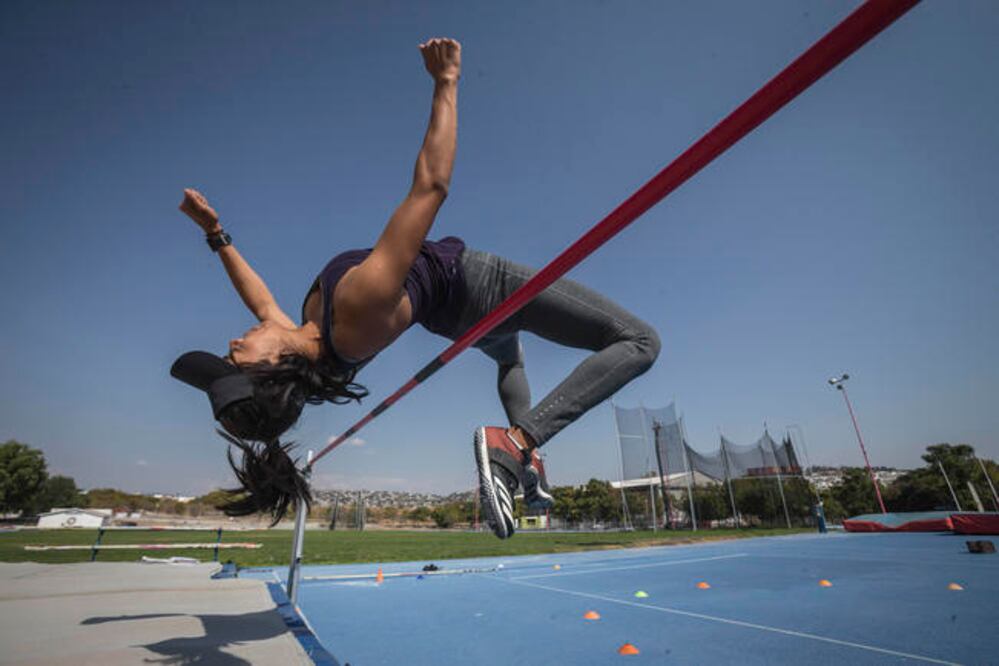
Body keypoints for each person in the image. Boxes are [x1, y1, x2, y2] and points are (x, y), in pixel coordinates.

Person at [171, 38, 660, 538]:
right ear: (272, 367)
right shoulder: (357, 306)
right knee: (639, 342)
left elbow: (259, 300)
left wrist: (215, 233)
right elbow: (431, 187)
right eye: (236, 359)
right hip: (480, 285)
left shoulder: (310, 339)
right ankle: (516, 444)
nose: (233, 343)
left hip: (455, 321)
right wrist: (445, 82)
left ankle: (527, 464)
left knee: (510, 360)